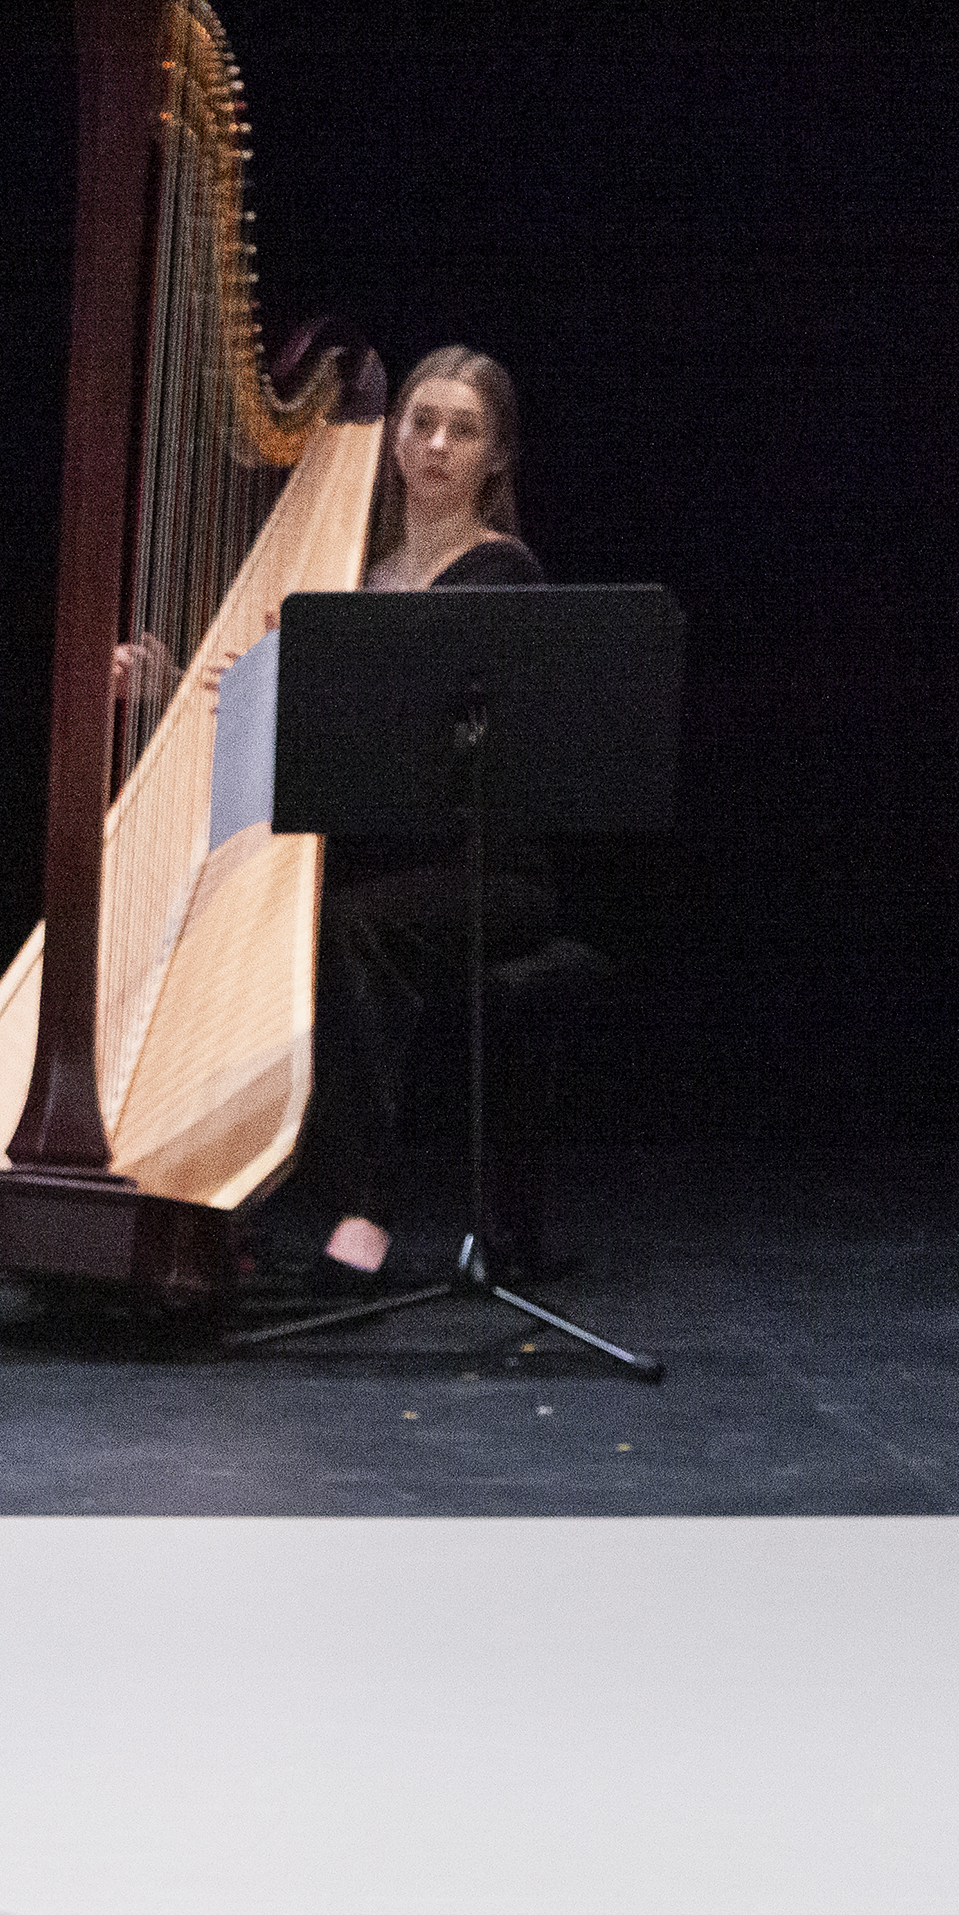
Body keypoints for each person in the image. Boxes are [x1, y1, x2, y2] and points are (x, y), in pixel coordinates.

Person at [284, 344, 552, 1285]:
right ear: (391, 437)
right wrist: (162, 674)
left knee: (351, 923)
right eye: (420, 422)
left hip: (493, 873)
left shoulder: (499, 578)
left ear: (495, 458)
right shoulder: (354, 569)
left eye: (462, 430)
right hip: (381, 856)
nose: (436, 444)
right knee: (301, 912)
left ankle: (365, 1212)